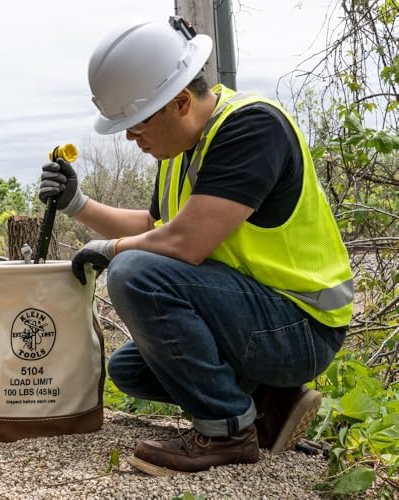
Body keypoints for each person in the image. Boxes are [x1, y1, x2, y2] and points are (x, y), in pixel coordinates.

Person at [39, 16, 353, 476]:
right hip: (254, 316)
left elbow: (184, 242)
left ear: (180, 102)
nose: (130, 136)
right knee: (132, 369)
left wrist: (112, 250)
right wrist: (78, 204)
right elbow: (156, 226)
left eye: (135, 123)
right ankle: (266, 401)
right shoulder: (181, 151)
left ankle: (227, 431)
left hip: (301, 325)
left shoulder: (252, 127)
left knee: (133, 271)